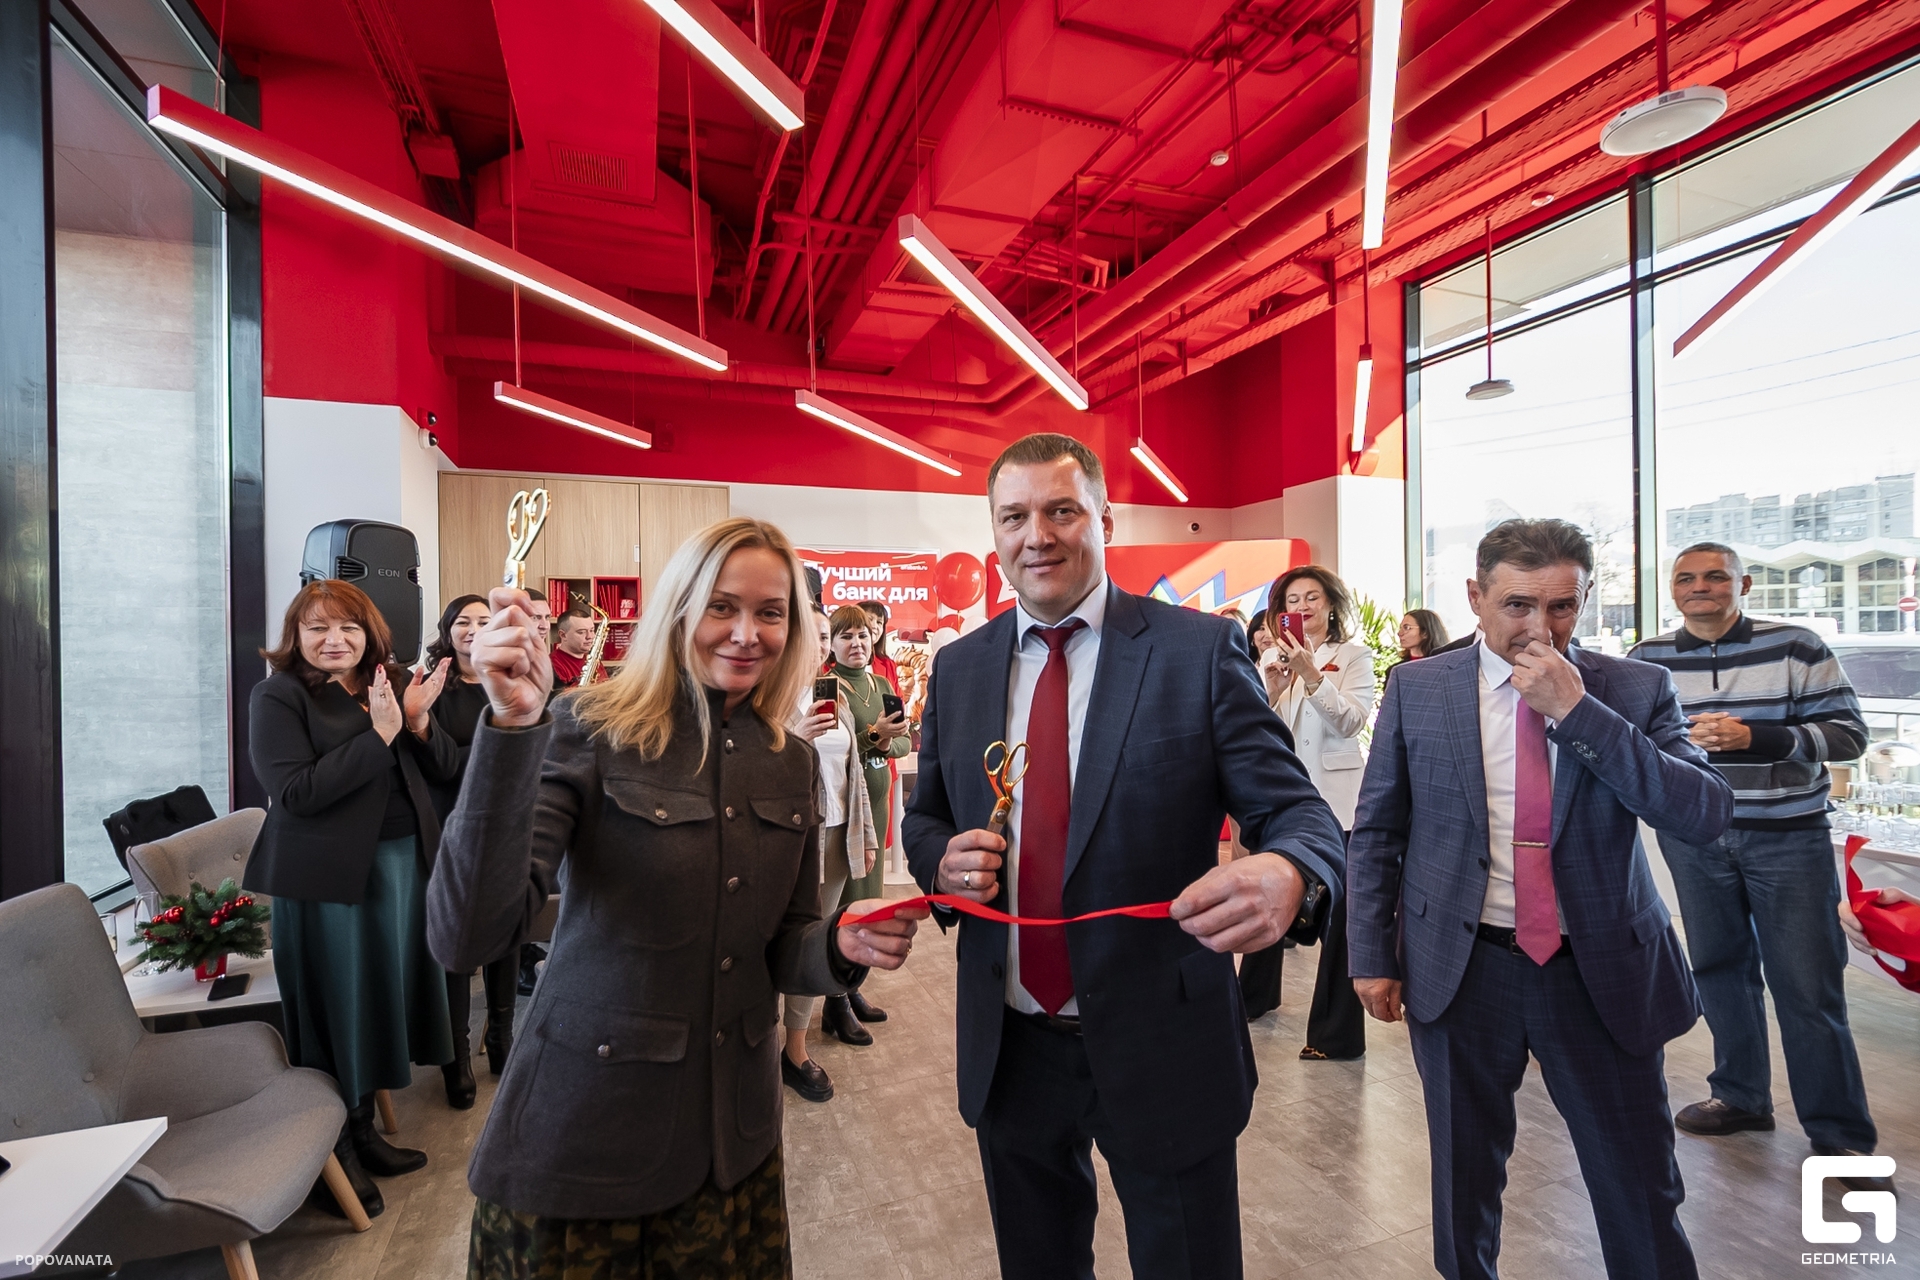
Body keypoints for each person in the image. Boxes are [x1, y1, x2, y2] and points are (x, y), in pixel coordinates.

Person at [427, 517, 926, 1278]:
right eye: (722, 606)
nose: (746, 633)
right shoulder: (588, 726)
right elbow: (469, 936)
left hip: (734, 1146)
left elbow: (785, 942)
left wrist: (838, 944)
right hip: (590, 1138)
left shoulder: (790, 761)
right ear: (679, 608)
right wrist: (512, 728)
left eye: (770, 612)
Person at [903, 433, 1347, 1280]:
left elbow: (1298, 812)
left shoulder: (1196, 651)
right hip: (1011, 1045)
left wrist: (1291, 872)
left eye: (1061, 511)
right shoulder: (959, 669)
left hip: (1163, 1038)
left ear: (1104, 520)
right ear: (994, 533)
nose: (1038, 535)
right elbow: (924, 817)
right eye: (1014, 517)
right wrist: (938, 862)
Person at [1348, 518, 1733, 1280]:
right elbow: (1379, 828)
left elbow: (1701, 812)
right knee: (1462, 1184)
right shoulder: (1418, 687)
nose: (1540, 627)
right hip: (1461, 968)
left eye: (1562, 606)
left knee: (1638, 1185)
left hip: (1599, 970)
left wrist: (1578, 712)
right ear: (1476, 598)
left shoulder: (1633, 688)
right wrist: (1369, 953)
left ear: (1584, 599)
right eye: (1518, 605)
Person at [1629, 542, 1887, 1190]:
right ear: (1672, 589)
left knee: (1807, 985)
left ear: (1742, 584)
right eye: (1686, 578)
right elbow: (1631, 744)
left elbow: (1850, 735)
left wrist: (1757, 738)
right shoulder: (1647, 659)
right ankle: (1740, 1096)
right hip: (1694, 838)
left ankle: (1840, 1136)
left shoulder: (1797, 646)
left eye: (1715, 576)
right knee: (1718, 969)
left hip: (1789, 838)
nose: (1700, 587)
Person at [244, 579, 460, 1221]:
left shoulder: (389, 683)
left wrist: (416, 723)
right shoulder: (278, 696)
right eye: (318, 628)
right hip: (329, 880)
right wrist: (380, 735)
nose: (334, 639)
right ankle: (332, 1154)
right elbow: (296, 793)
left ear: (370, 634)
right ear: (296, 636)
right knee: (338, 1008)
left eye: (348, 627)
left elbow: (446, 769)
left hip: (401, 866)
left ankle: (362, 1131)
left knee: (377, 1001)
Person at [1239, 567, 1375, 1054]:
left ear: (1331, 604)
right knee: (1268, 896)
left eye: (1312, 597)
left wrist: (1313, 675)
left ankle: (1336, 1036)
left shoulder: (1354, 656)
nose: (1302, 608)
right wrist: (1273, 688)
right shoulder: (1272, 658)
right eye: (1292, 601)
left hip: (1339, 802)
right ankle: (1252, 998)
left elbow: (1352, 721)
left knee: (1341, 920)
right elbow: (1256, 729)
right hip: (1286, 800)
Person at [422, 594, 523, 1108]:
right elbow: (438, 765)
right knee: (457, 944)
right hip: (449, 827)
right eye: (462, 621)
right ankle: (457, 1056)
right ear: (448, 631)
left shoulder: (510, 679)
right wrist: (494, 749)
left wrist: (485, 753)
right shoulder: (432, 686)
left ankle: (502, 1038)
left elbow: (528, 752)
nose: (473, 629)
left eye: (484, 620)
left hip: (506, 824)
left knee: (506, 934)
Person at [781, 604, 883, 1101]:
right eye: (812, 634)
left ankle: (795, 1049)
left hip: (838, 836)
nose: (820, 644)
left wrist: (865, 835)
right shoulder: (770, 697)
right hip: (792, 841)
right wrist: (793, 741)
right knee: (770, 942)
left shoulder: (834, 695)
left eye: (825, 636)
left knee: (813, 943)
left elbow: (852, 772)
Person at [824, 603, 908, 1040]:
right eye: (846, 637)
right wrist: (877, 735)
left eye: (862, 635)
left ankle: (851, 988)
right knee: (844, 908)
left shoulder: (881, 683)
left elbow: (903, 741)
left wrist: (884, 741)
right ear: (832, 645)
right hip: (847, 814)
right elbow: (834, 749)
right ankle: (834, 1000)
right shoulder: (827, 687)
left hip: (879, 806)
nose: (857, 644)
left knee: (868, 906)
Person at [548, 606, 598, 689]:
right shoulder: (552, 666)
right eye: (581, 632)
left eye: (592, 630)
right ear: (563, 635)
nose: (589, 636)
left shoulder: (593, 660)